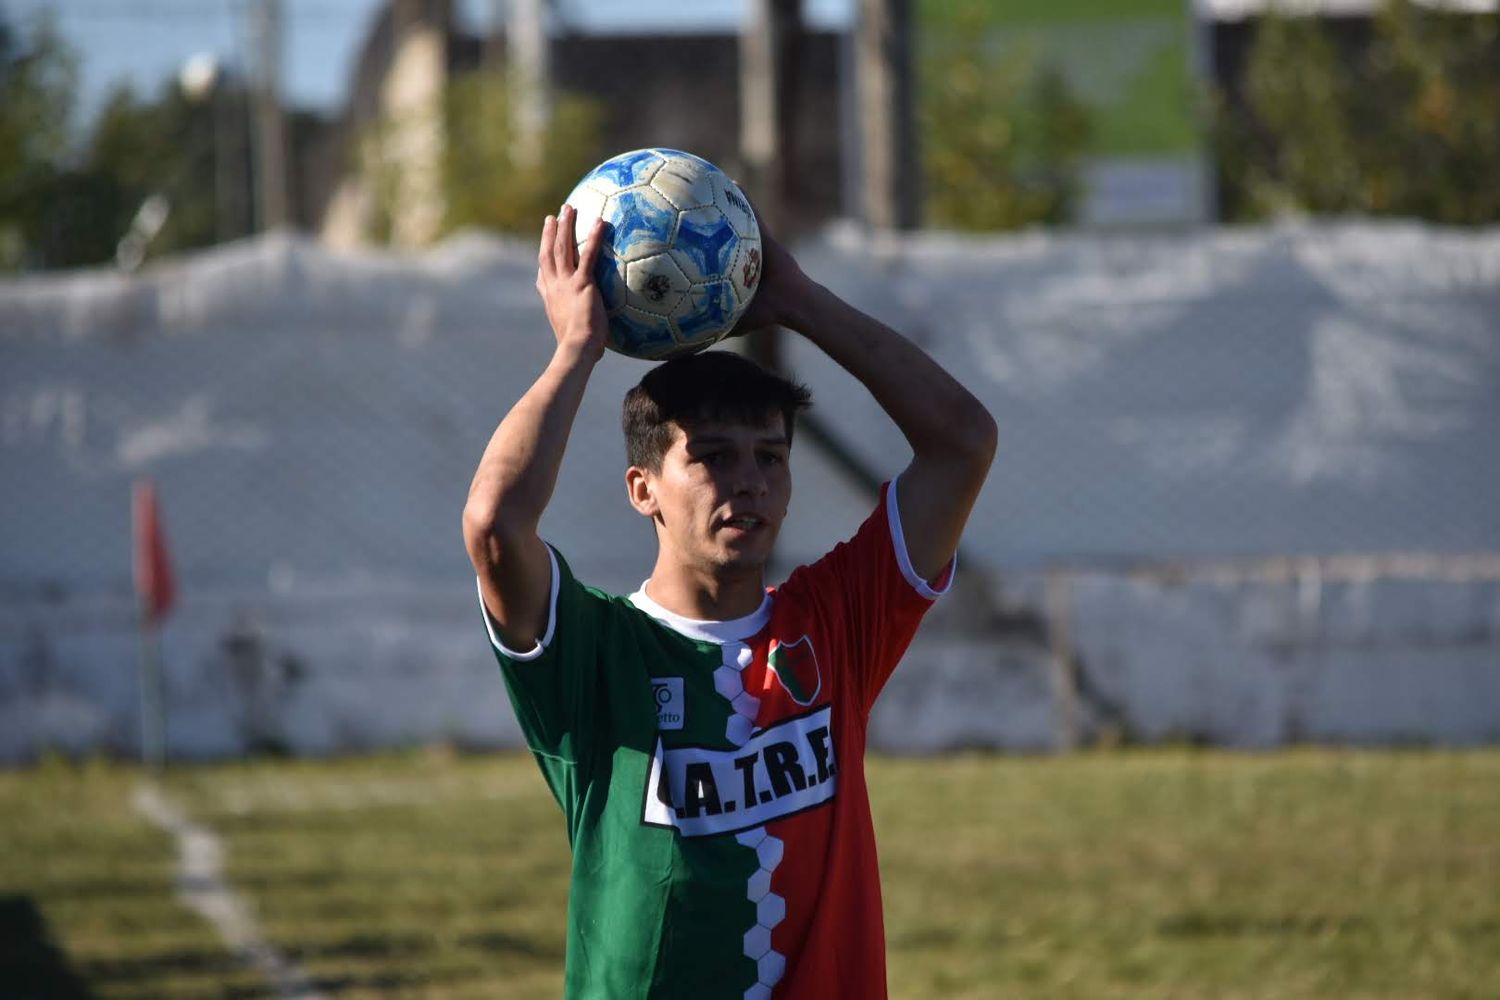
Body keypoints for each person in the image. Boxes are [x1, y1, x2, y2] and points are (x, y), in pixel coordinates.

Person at [462, 202, 996, 999]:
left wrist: (802, 304)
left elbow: (962, 442)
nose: (749, 480)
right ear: (643, 489)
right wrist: (577, 348)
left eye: (770, 457)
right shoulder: (595, 648)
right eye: (711, 457)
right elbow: (496, 525)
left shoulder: (837, 620)